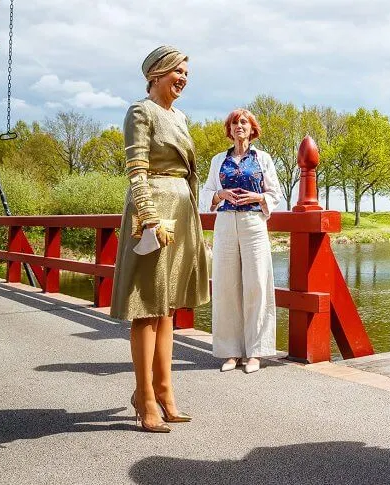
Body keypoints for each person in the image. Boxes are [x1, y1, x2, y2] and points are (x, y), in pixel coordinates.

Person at [110, 45, 210, 433]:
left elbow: (188, 175)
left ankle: (165, 391)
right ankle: (145, 397)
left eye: (187, 72)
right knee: (147, 307)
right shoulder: (141, 111)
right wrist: (148, 218)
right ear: (156, 74)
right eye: (177, 71)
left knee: (167, 307)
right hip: (153, 212)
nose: (183, 78)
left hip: (182, 212)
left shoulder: (180, 116)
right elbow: (136, 168)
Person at [199, 108, 282, 374]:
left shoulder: (263, 159)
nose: (239, 126)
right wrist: (219, 194)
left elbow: (275, 193)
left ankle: (256, 352)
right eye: (234, 123)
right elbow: (206, 193)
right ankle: (230, 352)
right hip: (224, 224)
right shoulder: (217, 161)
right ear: (229, 129)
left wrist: (257, 198)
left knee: (257, 283)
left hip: (254, 224)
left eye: (243, 122)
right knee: (225, 286)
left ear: (252, 128)